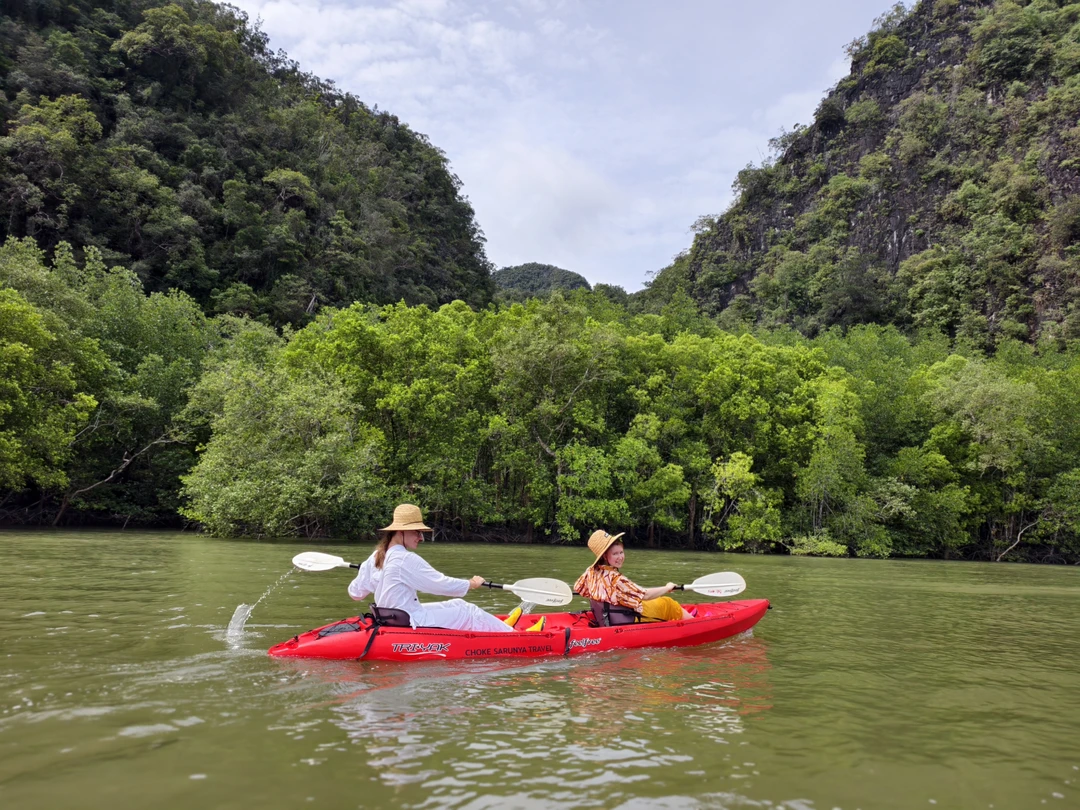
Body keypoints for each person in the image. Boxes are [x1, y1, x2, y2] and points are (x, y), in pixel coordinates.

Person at [348, 503, 545, 633]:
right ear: (401, 532)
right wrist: (472, 583)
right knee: (468, 611)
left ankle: (500, 627)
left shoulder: (375, 557)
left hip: (396, 617)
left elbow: (355, 593)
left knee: (457, 606)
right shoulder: (405, 560)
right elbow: (440, 585)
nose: (421, 537)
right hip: (409, 620)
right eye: (417, 532)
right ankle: (515, 636)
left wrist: (372, 575)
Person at [573, 530, 693, 622]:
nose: (620, 557)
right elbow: (645, 595)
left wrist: (603, 593)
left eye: (621, 552)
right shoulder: (617, 579)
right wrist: (667, 588)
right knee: (668, 603)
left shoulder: (590, 572)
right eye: (615, 554)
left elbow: (578, 587)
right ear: (605, 556)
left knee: (659, 601)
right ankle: (694, 623)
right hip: (628, 616)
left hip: (610, 615)